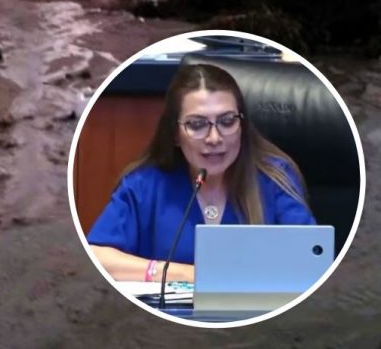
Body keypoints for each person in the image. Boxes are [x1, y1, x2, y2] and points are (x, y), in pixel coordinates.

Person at [86, 63, 315, 283]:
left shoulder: (274, 178)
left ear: (242, 126)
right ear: (175, 134)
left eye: (227, 121)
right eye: (197, 125)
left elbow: (312, 259)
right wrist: (185, 274)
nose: (214, 138)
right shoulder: (144, 184)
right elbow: (97, 256)